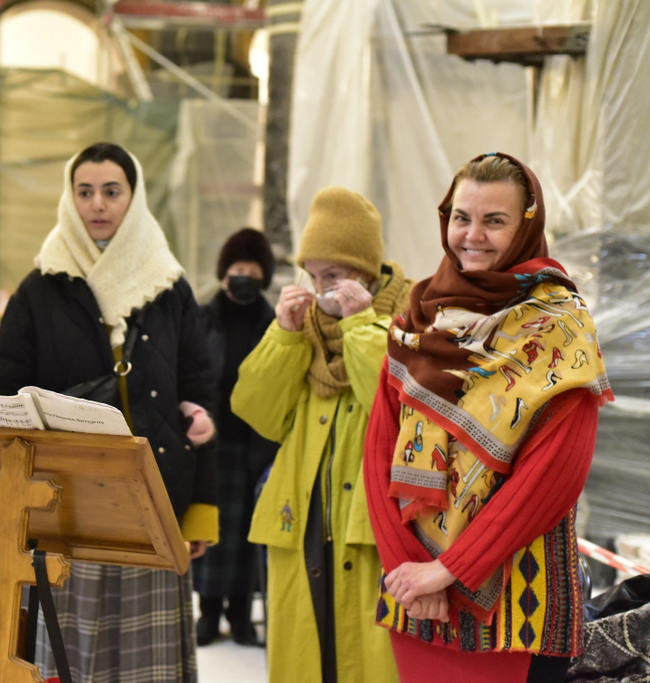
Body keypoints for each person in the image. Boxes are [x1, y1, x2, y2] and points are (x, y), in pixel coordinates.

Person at [362, 152, 614, 683]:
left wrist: (448, 570)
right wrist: (405, 567)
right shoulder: (419, 317)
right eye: (461, 217)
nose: (472, 236)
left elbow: (554, 475)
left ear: (527, 226)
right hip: (417, 593)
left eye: (494, 221)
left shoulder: (560, 327)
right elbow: (379, 445)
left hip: (516, 599)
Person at [0, 141, 218, 682]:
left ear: (133, 198)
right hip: (64, 511)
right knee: (68, 659)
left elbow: (199, 393)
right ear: (69, 198)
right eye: (85, 191)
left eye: (112, 191)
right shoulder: (40, 290)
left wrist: (200, 512)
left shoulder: (168, 289)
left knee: (147, 666)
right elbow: (5, 398)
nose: (98, 204)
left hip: (154, 507)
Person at [230, 187, 410, 682]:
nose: (320, 289)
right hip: (301, 522)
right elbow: (257, 412)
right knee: (306, 661)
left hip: (369, 530)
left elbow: (398, 407)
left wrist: (361, 325)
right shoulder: (304, 330)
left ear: (366, 272)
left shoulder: (409, 319)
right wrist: (284, 336)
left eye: (333, 276)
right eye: (311, 275)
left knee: (367, 662)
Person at [192, 227, 279, 647]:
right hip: (209, 441)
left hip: (254, 443)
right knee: (209, 527)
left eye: (252, 271)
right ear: (224, 273)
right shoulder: (202, 318)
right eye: (237, 269)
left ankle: (241, 616)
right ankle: (208, 614)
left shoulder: (274, 324)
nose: (243, 277)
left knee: (247, 534)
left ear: (264, 277)